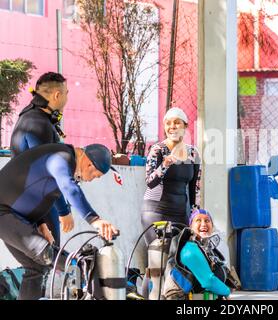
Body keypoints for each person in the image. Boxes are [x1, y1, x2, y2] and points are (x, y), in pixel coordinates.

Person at [0, 143, 119, 300]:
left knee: (36, 268)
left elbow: (37, 190)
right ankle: (84, 267)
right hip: (4, 213)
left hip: (18, 215)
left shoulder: (62, 159)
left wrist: (41, 224)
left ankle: (83, 268)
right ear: (89, 164)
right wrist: (95, 219)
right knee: (44, 252)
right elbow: (69, 188)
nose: (92, 180)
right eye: (96, 176)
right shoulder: (62, 158)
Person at [10, 72, 73, 249]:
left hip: (23, 203)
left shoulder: (28, 117)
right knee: (47, 262)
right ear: (57, 95)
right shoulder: (39, 125)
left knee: (37, 266)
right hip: (40, 203)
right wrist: (63, 210)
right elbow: (48, 172)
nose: (67, 98)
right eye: (66, 93)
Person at [141, 107, 201, 245]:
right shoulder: (158, 150)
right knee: (160, 255)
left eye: (176, 122)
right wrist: (165, 164)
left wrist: (195, 216)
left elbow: (195, 189)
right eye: (168, 123)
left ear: (185, 125)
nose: (172, 127)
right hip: (156, 211)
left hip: (180, 214)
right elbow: (150, 182)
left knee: (182, 255)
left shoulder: (193, 153)